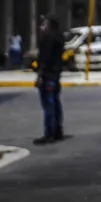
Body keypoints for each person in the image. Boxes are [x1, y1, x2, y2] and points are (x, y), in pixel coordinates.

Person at [34, 15, 66, 145]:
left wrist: (40, 75)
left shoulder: (48, 39)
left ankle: (49, 133)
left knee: (48, 105)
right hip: (56, 75)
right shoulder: (59, 38)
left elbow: (45, 59)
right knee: (55, 103)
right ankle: (58, 130)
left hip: (48, 76)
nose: (42, 26)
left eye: (44, 24)